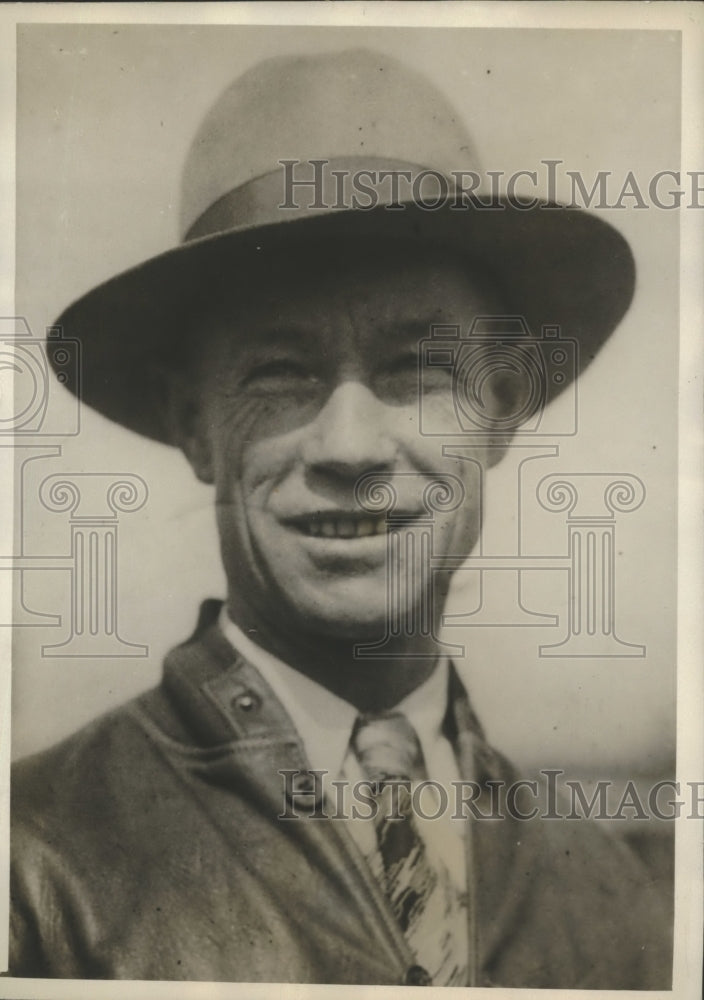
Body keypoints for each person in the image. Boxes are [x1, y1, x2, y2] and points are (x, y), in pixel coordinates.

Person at [10, 48, 672, 987]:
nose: (350, 447)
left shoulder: (612, 900)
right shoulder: (33, 872)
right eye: (280, 374)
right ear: (192, 425)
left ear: (503, 406)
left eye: (416, 368)